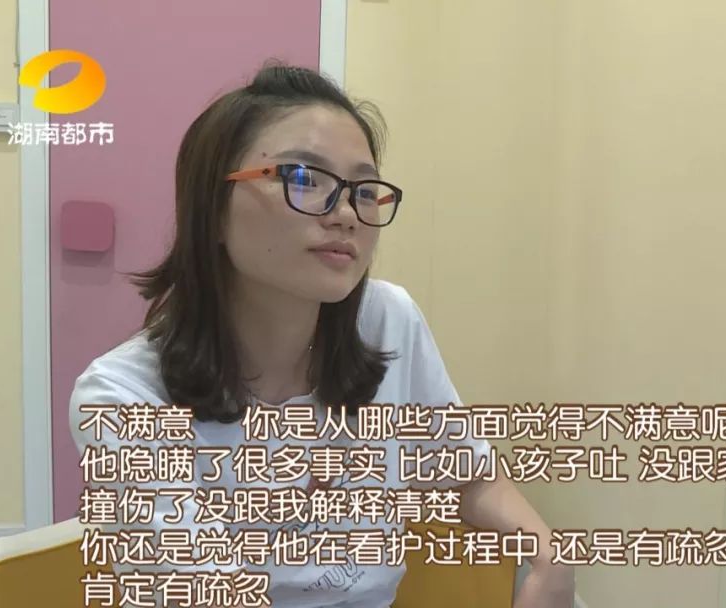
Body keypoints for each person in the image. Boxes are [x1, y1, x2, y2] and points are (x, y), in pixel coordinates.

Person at [68, 63, 575, 608]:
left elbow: (468, 474)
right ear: (211, 210)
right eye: (304, 179)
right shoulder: (121, 396)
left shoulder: (386, 320)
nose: (347, 214)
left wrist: (550, 558)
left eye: (364, 190)